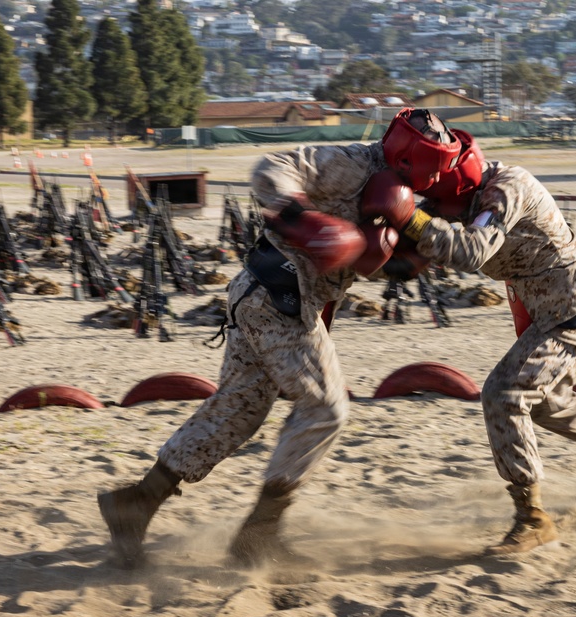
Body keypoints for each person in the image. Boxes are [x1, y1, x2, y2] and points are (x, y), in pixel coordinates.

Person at [96, 108, 462, 569]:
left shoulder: (406, 195)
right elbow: (269, 168)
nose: (439, 170)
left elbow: (384, 254)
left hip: (269, 298)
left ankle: (135, 504)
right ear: (412, 152)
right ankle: (259, 534)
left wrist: (404, 255)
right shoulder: (350, 162)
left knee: (236, 411)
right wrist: (300, 217)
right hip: (277, 297)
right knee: (325, 408)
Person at [360, 129, 576, 555]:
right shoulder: (453, 198)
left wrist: (412, 220)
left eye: (436, 199)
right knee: (548, 404)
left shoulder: (506, 189)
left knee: (504, 393)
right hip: (539, 305)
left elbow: (473, 250)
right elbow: (415, 250)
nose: (435, 207)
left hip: (575, 300)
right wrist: (362, 248)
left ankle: (532, 518)